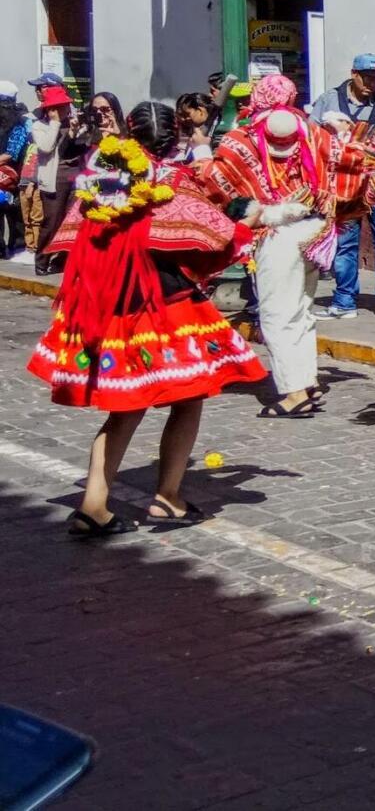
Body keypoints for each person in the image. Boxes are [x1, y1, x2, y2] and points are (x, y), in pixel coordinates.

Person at [29, 101, 265, 537]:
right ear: (173, 137)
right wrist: (247, 224)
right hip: (164, 305)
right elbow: (217, 235)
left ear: (131, 133)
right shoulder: (174, 180)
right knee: (189, 396)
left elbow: (69, 238)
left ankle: (94, 503)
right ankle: (168, 496)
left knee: (124, 409)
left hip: (110, 304)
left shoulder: (100, 180)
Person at [197, 75, 366, 417]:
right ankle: (306, 381)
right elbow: (350, 160)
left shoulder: (241, 138)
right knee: (301, 310)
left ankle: (293, 393)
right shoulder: (313, 133)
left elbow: (215, 179)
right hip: (313, 228)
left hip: (274, 231)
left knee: (276, 314)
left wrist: (201, 148)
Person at [311, 52, 375, 318]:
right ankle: (344, 300)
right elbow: (312, 137)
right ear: (354, 74)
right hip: (344, 186)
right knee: (346, 245)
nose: (372, 83)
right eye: (367, 77)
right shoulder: (330, 99)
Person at [27, 75, 82, 275]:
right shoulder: (40, 125)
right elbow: (46, 146)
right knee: (52, 221)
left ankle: (62, 260)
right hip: (54, 179)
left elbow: (77, 148)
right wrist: (55, 123)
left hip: (75, 176)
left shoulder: (75, 122)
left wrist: (75, 132)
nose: (62, 110)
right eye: (56, 107)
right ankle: (42, 261)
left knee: (73, 220)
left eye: (64, 106)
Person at [0, 83, 30, 256]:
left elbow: (13, 152)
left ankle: (18, 246)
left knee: (14, 212)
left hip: (13, 175)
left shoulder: (19, 121)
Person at [173, 92, 215, 163]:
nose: (184, 119)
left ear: (201, 111)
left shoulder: (214, 133)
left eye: (187, 114)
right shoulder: (194, 133)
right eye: (181, 115)